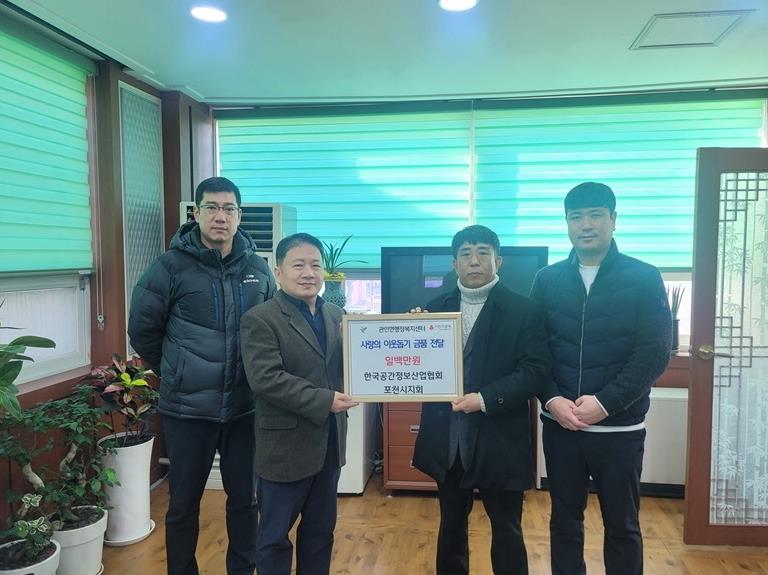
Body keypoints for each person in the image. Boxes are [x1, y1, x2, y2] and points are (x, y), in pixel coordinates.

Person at [127, 176, 276, 575]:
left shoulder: (258, 269)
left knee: (245, 501)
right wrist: (176, 369)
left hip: (244, 408)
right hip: (187, 410)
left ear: (239, 216)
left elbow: (271, 328)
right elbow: (142, 329)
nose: (220, 216)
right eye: (211, 207)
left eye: (229, 208)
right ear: (196, 213)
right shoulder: (168, 267)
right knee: (183, 504)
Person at [530, 182, 672, 575]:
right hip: (561, 426)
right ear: (567, 224)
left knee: (622, 525)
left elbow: (655, 352)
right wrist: (551, 399)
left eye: (595, 215)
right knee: (564, 523)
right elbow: (534, 352)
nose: (586, 225)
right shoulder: (547, 280)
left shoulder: (644, 277)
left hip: (620, 429)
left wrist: (606, 403)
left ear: (613, 220)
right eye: (576, 217)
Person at [412, 225, 552, 575]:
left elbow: (535, 371)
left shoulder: (524, 310)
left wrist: (485, 399)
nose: (474, 261)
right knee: (451, 525)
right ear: (455, 264)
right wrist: (413, 334)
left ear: (497, 261)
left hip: (499, 437)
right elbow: (424, 370)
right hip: (449, 440)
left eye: (483, 253)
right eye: (466, 254)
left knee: (506, 528)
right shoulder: (435, 308)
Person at [240, 232, 358, 575]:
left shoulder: (336, 314)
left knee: (320, 533)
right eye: (298, 265)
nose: (308, 273)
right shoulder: (260, 318)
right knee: (274, 538)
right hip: (285, 449)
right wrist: (325, 400)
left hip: (329, 445)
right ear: (278, 272)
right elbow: (266, 379)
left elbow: (348, 367)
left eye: (315, 265)